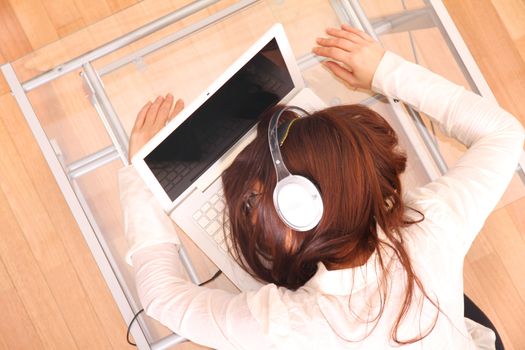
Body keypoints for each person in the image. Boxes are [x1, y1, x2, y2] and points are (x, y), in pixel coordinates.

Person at [119, 25, 524, 349]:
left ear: (297, 210)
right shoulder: (431, 229)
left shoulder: (288, 327)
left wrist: (139, 178)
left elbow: (162, 299)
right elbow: (504, 134)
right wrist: (385, 70)